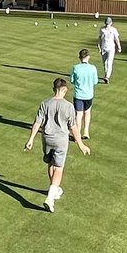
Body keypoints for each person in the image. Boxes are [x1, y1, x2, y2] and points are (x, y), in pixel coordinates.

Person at [24, 77, 90, 212]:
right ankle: (50, 197)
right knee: (59, 168)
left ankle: (53, 189)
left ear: (54, 89)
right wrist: (81, 144)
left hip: (47, 138)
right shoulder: (69, 106)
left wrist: (30, 140)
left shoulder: (45, 103)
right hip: (61, 141)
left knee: (50, 164)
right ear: (65, 90)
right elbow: (74, 128)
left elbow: (37, 123)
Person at [70, 48, 102, 139]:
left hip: (78, 94)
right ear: (88, 57)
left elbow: (72, 81)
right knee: (87, 112)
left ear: (79, 57)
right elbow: (95, 81)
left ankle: (77, 134)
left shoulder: (76, 68)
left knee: (78, 114)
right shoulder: (93, 68)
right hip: (88, 95)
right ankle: (86, 132)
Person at [97, 16, 122, 83]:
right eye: (106, 23)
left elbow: (116, 39)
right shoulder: (102, 29)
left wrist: (119, 47)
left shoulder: (114, 30)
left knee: (109, 62)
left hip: (111, 48)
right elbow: (100, 38)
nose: (107, 25)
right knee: (105, 63)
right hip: (103, 48)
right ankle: (106, 75)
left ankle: (107, 77)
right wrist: (99, 46)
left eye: (108, 23)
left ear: (111, 23)